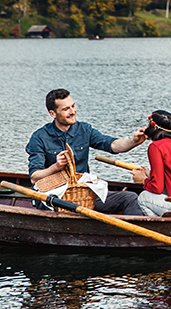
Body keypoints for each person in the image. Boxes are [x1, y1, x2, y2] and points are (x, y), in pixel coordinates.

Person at [27, 88, 147, 216]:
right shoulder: (39, 137)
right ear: (53, 114)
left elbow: (112, 145)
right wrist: (55, 167)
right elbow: (34, 177)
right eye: (66, 109)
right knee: (61, 207)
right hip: (53, 197)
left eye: (73, 106)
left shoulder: (84, 129)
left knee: (129, 198)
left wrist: (133, 141)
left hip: (83, 195)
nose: (73, 112)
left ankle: (129, 235)